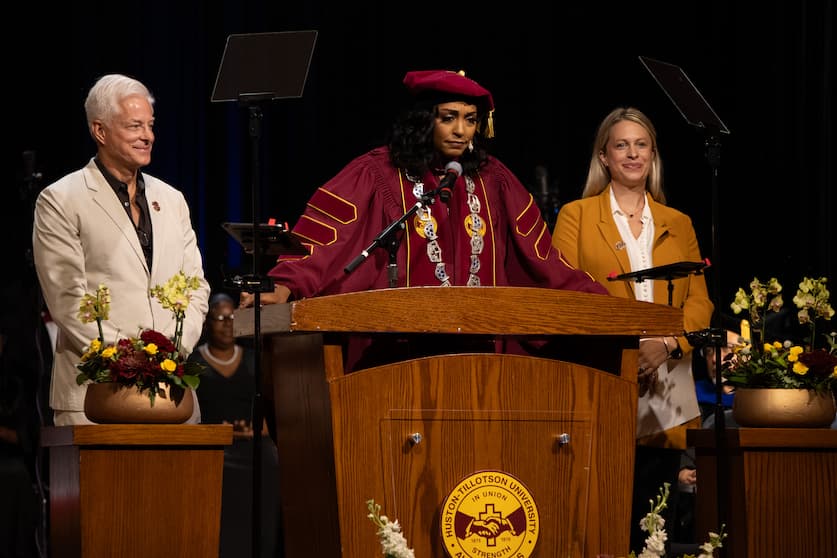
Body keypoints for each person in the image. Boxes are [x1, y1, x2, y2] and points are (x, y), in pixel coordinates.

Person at [239, 69, 608, 354]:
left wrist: (606, 309)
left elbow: (543, 259)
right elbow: (324, 240)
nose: (461, 131)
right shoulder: (377, 172)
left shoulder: (495, 179)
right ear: (422, 120)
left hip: (480, 347)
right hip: (396, 351)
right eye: (448, 117)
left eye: (471, 119)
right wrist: (286, 284)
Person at [551, 106, 713, 553]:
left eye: (641, 145)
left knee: (653, 522)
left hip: (667, 385)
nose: (632, 154)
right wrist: (628, 347)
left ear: (653, 154)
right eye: (621, 145)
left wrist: (666, 344)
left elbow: (700, 301)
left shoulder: (679, 223)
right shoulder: (576, 216)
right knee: (602, 515)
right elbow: (566, 294)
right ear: (604, 156)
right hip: (604, 378)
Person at [32, 73, 209, 426]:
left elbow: (196, 288)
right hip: (97, 397)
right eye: (134, 126)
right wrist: (133, 363)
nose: (148, 136)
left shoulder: (172, 200)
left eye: (150, 125)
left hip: (171, 394)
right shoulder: (61, 199)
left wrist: (172, 353)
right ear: (100, 131)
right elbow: (68, 299)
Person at [188, 293, 281, 558]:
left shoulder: (255, 360)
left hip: (254, 449)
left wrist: (251, 431)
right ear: (207, 323)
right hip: (215, 452)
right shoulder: (194, 362)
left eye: (232, 317)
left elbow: (266, 422)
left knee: (269, 463)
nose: (227, 324)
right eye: (220, 318)